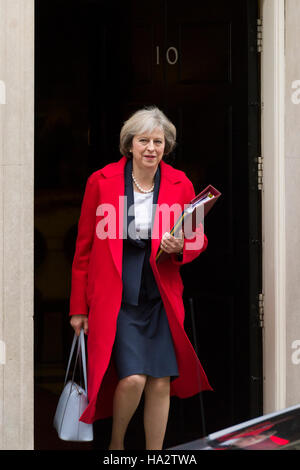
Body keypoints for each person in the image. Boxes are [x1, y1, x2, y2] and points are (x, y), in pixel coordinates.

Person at [69, 106, 212, 450]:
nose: (151, 148)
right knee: (132, 379)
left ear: (167, 146)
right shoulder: (101, 181)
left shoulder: (180, 183)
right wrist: (78, 307)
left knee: (160, 382)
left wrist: (181, 246)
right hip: (118, 296)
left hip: (160, 294)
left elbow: (198, 237)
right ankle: (116, 446)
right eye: (143, 140)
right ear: (129, 144)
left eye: (158, 142)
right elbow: (84, 248)